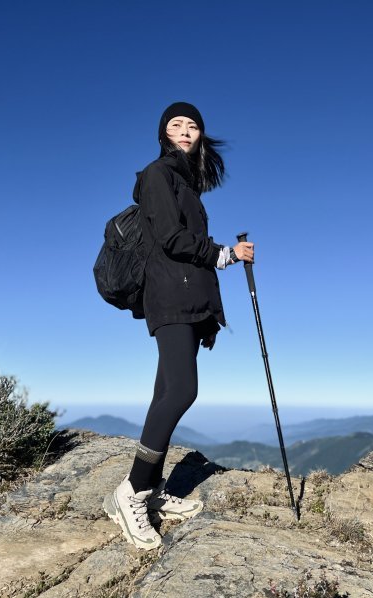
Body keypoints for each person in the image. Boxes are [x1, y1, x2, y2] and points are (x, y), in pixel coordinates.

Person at [102, 102, 254, 549]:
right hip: (168, 297)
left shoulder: (187, 183)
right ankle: (130, 493)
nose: (185, 130)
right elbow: (171, 238)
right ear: (164, 134)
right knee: (183, 391)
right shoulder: (157, 175)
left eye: (193, 125)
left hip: (183, 298)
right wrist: (226, 254)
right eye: (176, 125)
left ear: (201, 135)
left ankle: (147, 493)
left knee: (166, 392)